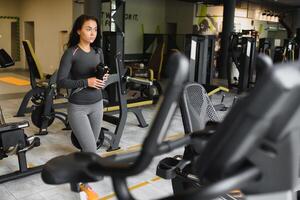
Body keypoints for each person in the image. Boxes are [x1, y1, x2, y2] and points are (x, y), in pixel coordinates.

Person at [57, 14, 109, 154]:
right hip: (78, 108)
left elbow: (100, 80)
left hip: (97, 105)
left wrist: (103, 79)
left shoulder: (98, 51)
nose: (93, 33)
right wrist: (86, 82)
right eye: (88, 29)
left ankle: (83, 172)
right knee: (90, 149)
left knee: (91, 146)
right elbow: (61, 81)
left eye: (95, 29)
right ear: (79, 31)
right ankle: (91, 175)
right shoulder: (71, 53)